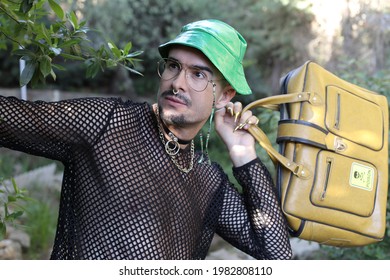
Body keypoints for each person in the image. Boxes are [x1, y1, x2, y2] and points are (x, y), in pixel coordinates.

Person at [0, 19, 292, 260]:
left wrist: (243, 154)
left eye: (198, 74)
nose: (177, 82)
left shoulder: (208, 180)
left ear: (225, 95)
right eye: (173, 66)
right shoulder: (108, 124)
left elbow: (277, 257)